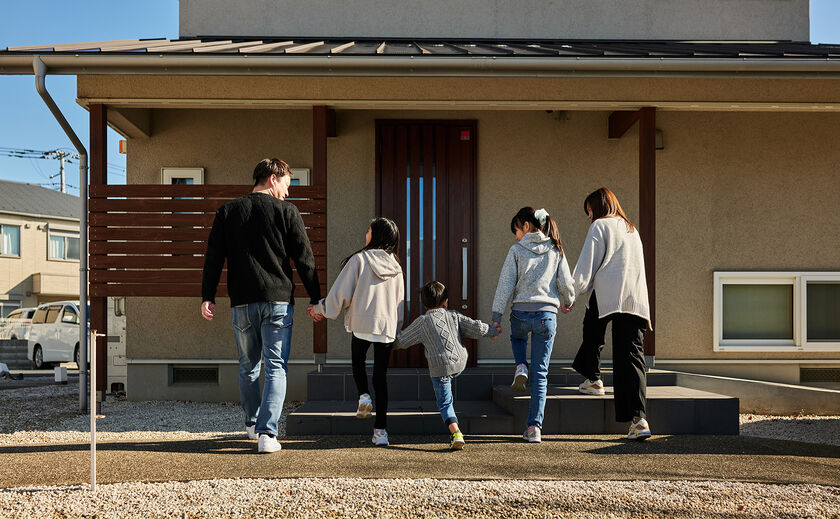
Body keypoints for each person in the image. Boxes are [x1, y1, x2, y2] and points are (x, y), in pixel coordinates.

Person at [201, 158, 322, 454]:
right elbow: (305, 259)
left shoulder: (228, 211)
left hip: (242, 302)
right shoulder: (287, 212)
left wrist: (208, 296)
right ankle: (268, 434)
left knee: (248, 367)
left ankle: (252, 424)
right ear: (272, 178)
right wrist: (316, 297)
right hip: (278, 300)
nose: (288, 193)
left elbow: (213, 258)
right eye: (287, 185)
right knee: (276, 367)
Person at [309, 217, 404, 447]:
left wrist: (320, 308)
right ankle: (381, 433)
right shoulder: (397, 266)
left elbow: (340, 293)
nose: (366, 234)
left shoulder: (359, 260)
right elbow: (400, 301)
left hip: (362, 325)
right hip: (386, 327)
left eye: (368, 230)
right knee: (380, 379)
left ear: (376, 235)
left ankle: (363, 396)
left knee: (358, 362)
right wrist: (397, 328)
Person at [568, 187, 652, 441]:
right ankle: (639, 420)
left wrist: (571, 293)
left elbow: (587, 265)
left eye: (589, 210)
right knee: (631, 355)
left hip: (607, 293)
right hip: (634, 298)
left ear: (597, 207)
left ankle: (593, 378)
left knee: (592, 330)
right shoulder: (631, 228)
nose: (588, 216)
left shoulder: (599, 227)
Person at [491, 207, 575, 443]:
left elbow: (505, 284)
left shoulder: (516, 250)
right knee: (541, 374)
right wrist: (568, 301)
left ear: (526, 226)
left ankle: (520, 366)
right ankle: (534, 427)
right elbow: (566, 282)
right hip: (546, 315)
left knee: (517, 338)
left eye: (516, 230)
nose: (515, 236)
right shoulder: (555, 249)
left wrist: (496, 315)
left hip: (520, 313)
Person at [394, 281, 499, 450]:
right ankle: (456, 432)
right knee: (449, 383)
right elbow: (475, 327)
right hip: (460, 362)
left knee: (445, 404)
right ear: (445, 301)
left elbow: (401, 341)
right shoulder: (453, 315)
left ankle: (456, 434)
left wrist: (383, 343)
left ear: (423, 303)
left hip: (440, 368)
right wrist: (493, 331)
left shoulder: (422, 322)